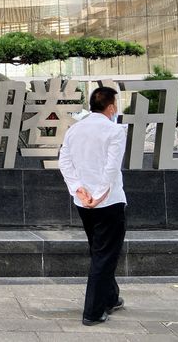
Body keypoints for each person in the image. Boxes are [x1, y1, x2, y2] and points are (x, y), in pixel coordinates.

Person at [58, 86, 127, 326]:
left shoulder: (74, 130)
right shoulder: (115, 131)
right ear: (111, 107)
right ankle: (94, 311)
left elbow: (64, 162)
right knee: (105, 255)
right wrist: (98, 195)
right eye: (115, 104)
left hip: (83, 202)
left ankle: (111, 297)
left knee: (100, 251)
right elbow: (112, 167)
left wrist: (78, 189)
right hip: (108, 201)